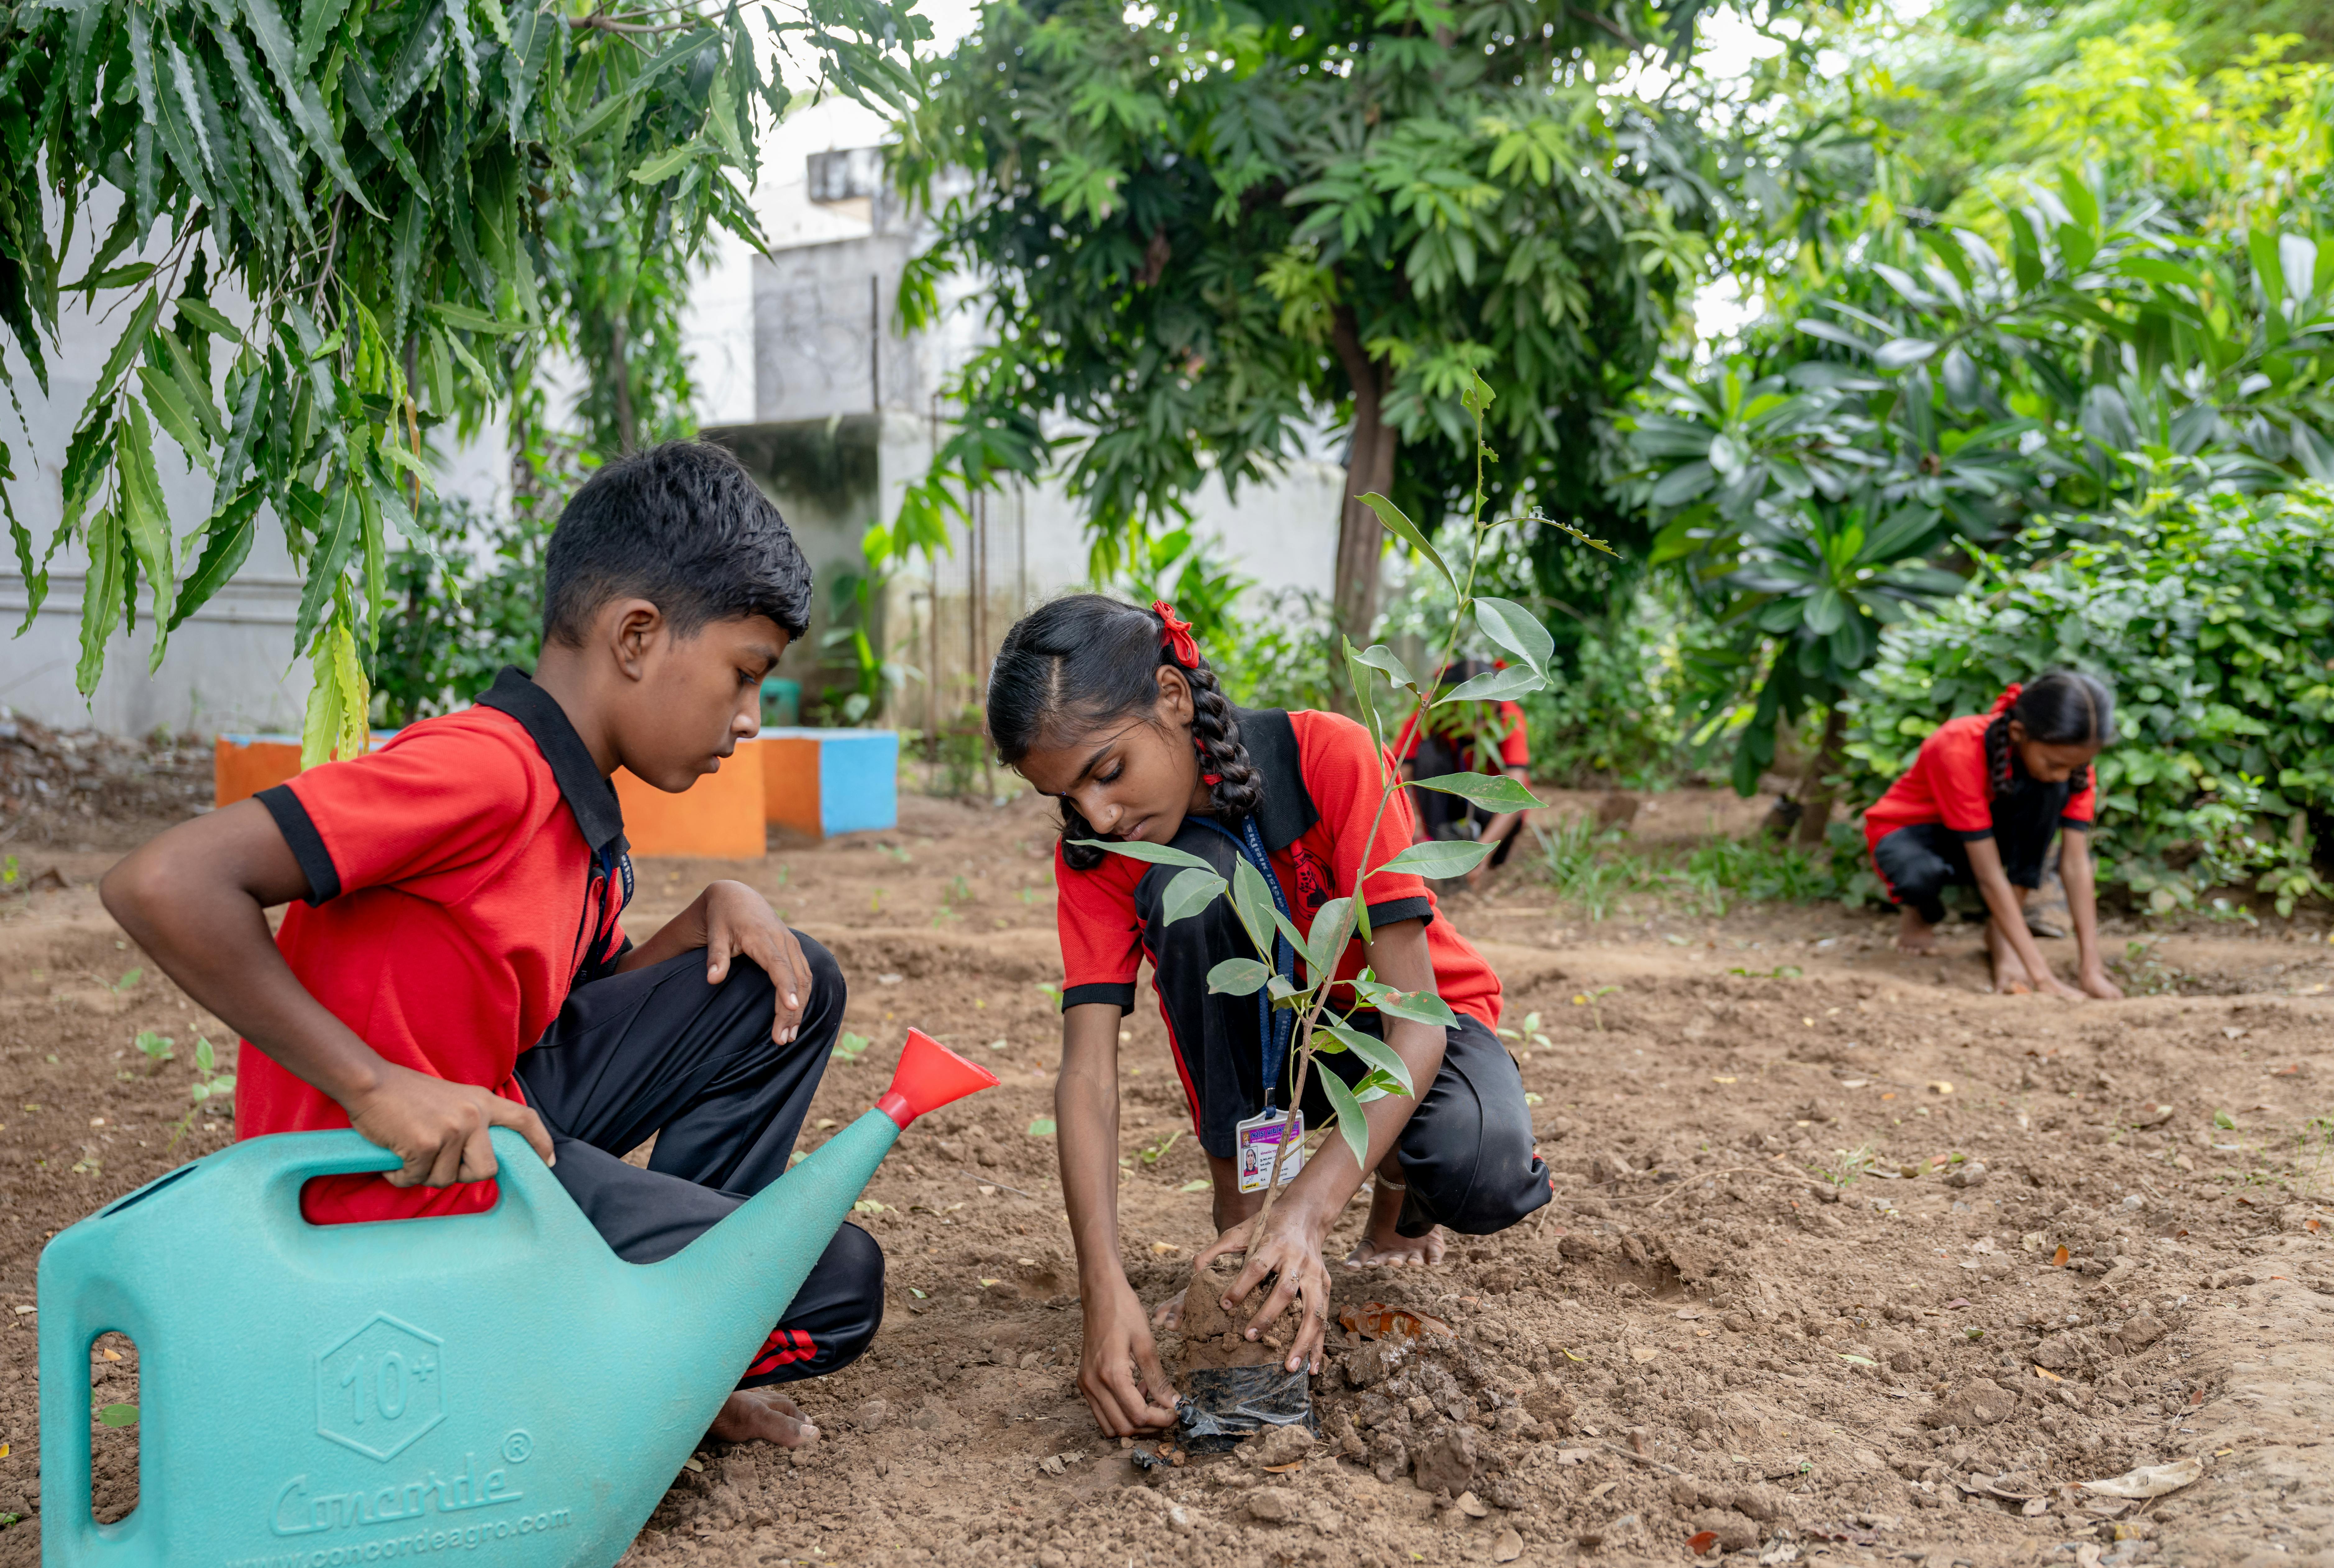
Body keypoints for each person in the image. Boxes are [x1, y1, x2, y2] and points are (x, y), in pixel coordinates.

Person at [101, 440, 866, 1449]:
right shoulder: (483, 772)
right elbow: (162, 881)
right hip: (383, 1196)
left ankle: (674, 1332)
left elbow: (561, 1022)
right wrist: (376, 1087)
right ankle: (642, 1346)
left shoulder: (576, 808)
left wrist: (704, 913)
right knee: (836, 1282)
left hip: (497, 1127)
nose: (748, 719)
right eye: (742, 675)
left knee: (790, 985)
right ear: (637, 636)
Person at [987, 595, 1553, 1437]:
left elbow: (1418, 1022)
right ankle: (1243, 1225)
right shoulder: (1107, 851)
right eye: (1066, 796)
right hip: (1274, 1065)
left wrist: (1310, 1211)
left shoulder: (1329, 756)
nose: (1098, 815)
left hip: (1399, 1032)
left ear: (1174, 698)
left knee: (1481, 1168)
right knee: (1191, 890)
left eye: (1107, 771)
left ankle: (1388, 1193)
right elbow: (1088, 1074)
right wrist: (1102, 1285)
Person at [1861, 670, 2122, 1000]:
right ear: (2017, 732)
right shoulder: (1957, 745)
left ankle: (2000, 935)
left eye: (2072, 767)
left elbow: (2075, 863)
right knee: (1918, 876)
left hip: (1984, 839)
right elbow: (1988, 874)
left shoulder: (2069, 766)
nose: (2064, 774)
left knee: (2049, 791)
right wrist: (2041, 978)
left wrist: (2091, 969)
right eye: (2054, 763)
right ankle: (1920, 913)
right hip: (1915, 833)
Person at [1389, 663, 1531, 890]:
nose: (1479, 714)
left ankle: (1482, 859)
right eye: (1470, 706)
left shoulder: (1509, 716)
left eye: (1488, 705)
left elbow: (1516, 798)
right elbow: (1395, 780)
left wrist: (1481, 854)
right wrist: (1415, 841)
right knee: (1429, 752)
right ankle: (1437, 849)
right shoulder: (1430, 708)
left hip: (1491, 815)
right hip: (1443, 808)